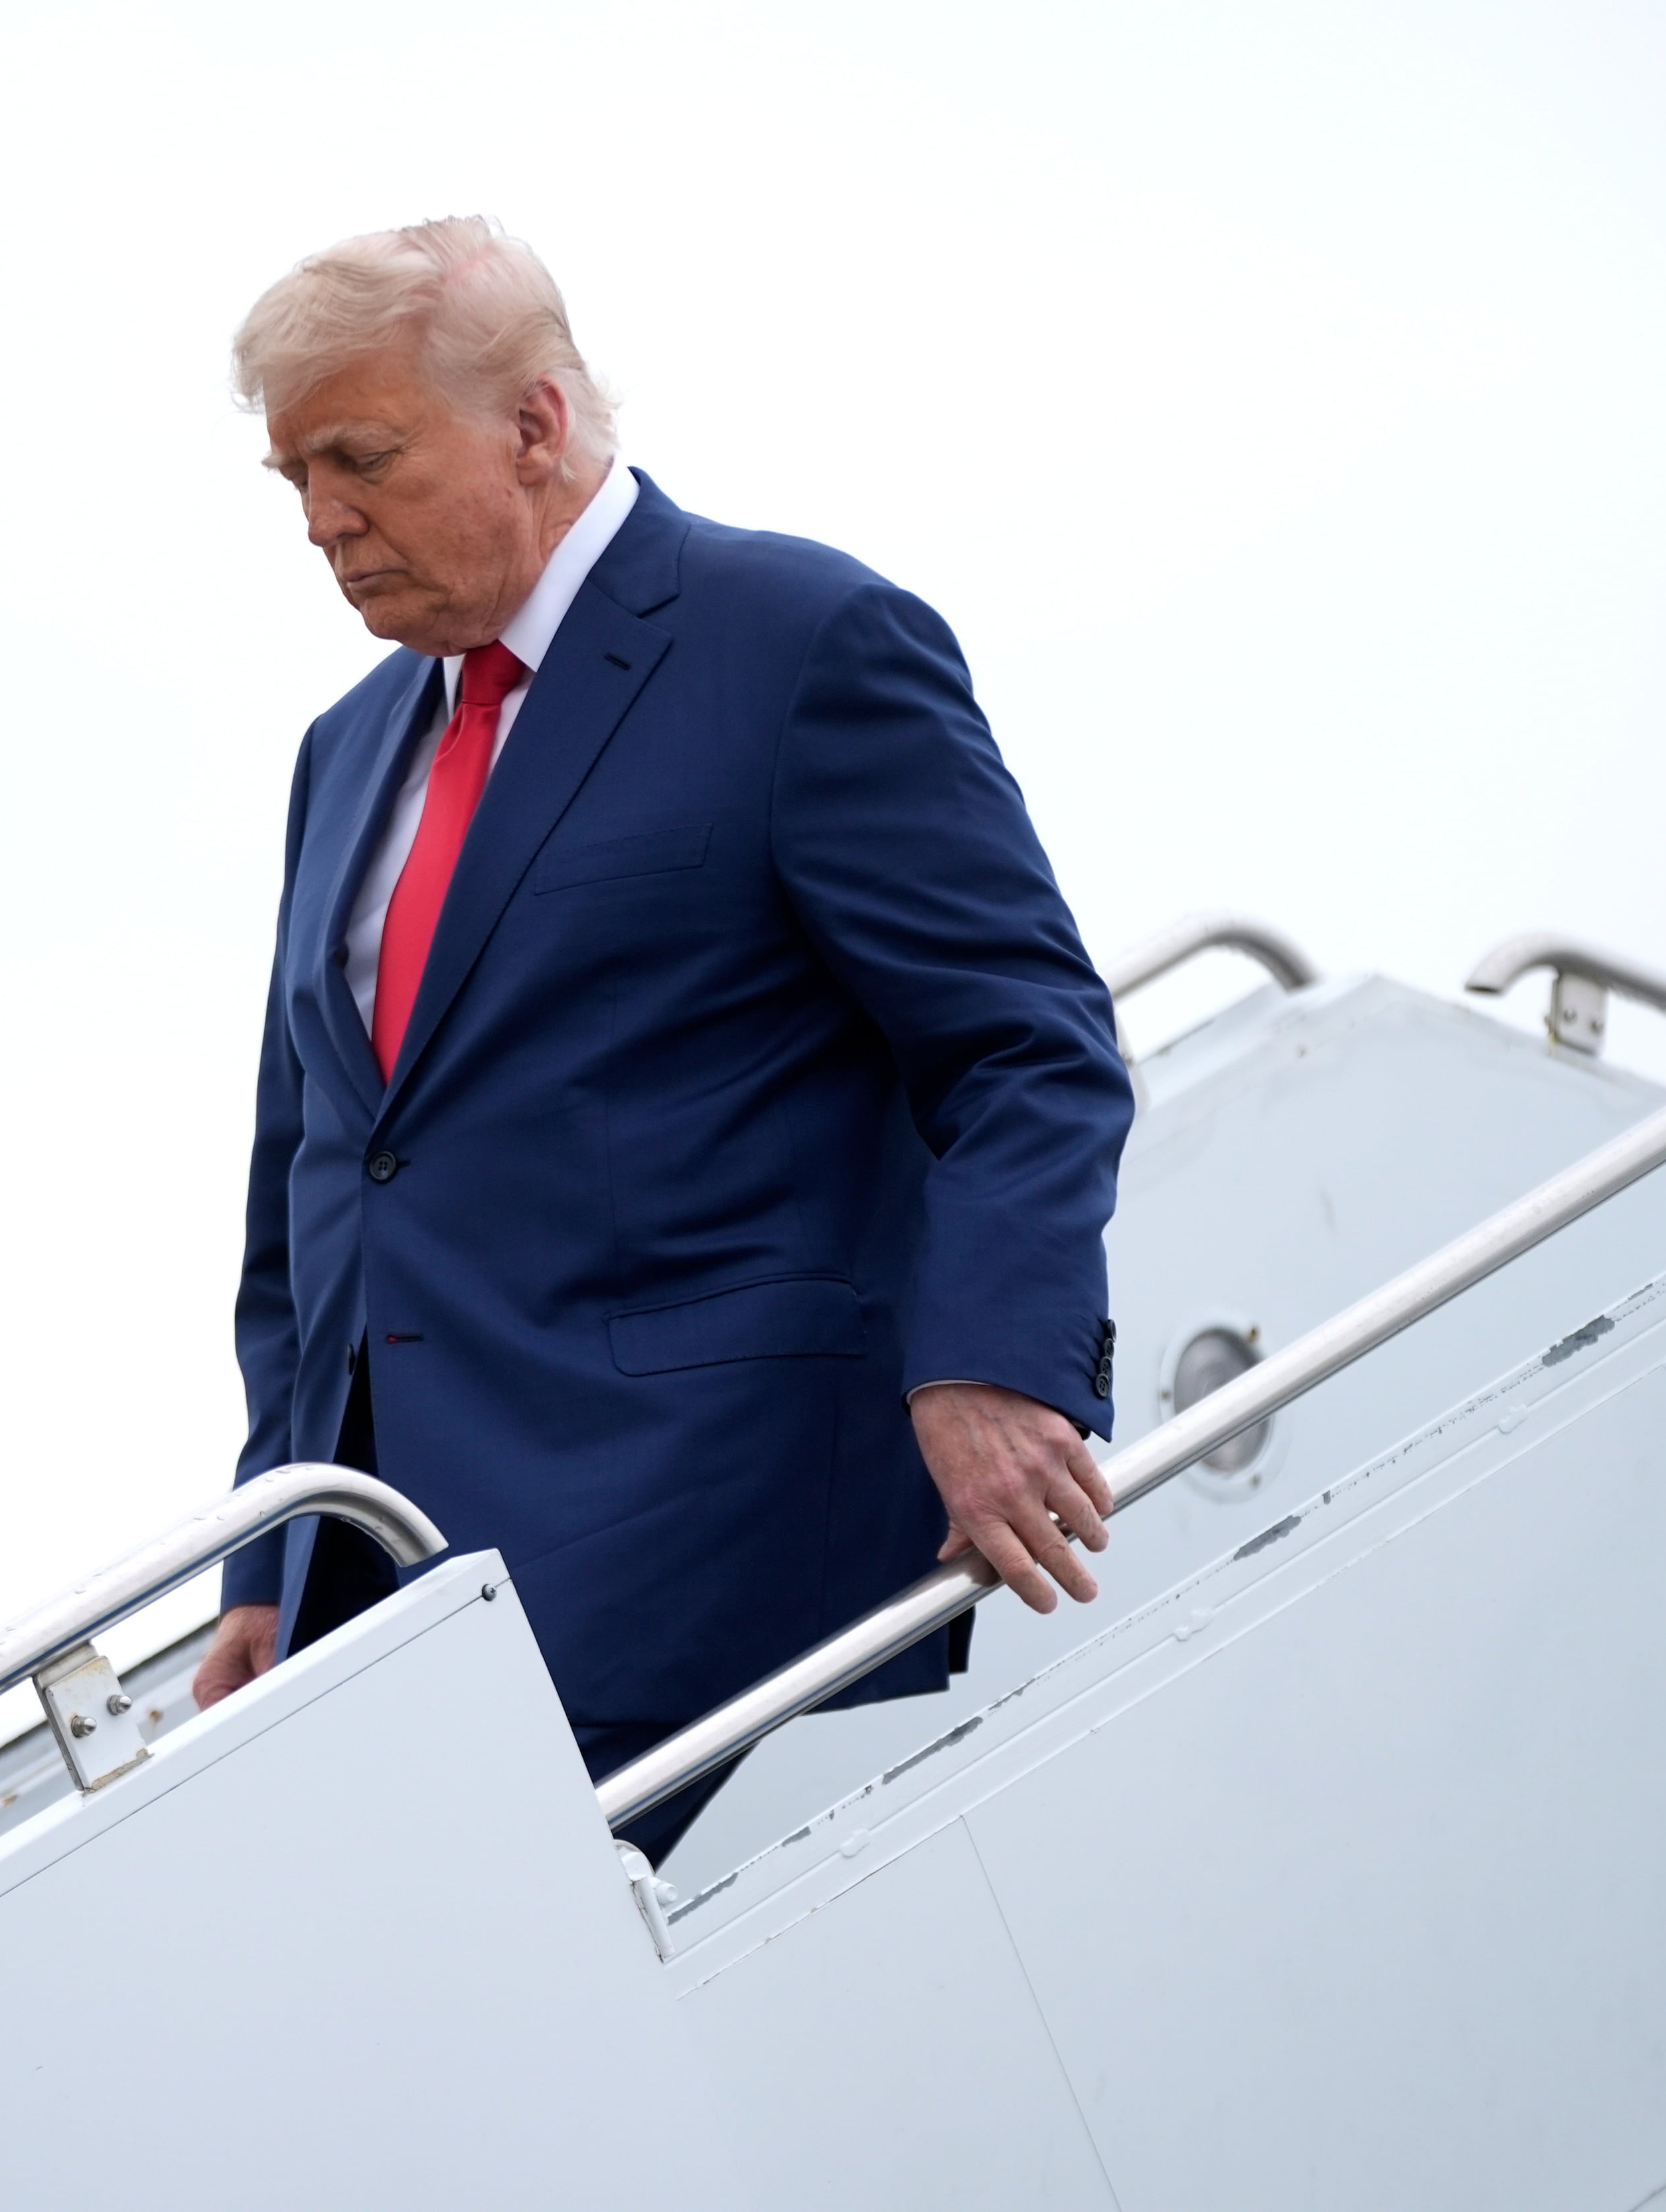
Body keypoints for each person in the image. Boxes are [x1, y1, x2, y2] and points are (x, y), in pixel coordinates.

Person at [192, 217, 1134, 1862]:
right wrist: (275, 1555)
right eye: (294, 485)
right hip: (394, 1597)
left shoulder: (801, 642)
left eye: (359, 459)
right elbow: (321, 1189)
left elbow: (1026, 1042)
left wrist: (989, 1362)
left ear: (535, 425)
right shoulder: (344, 752)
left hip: (725, 1554)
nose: (326, 522)